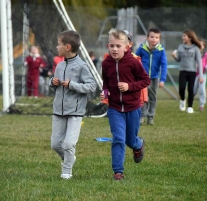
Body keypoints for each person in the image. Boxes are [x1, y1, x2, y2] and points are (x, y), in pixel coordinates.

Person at [100, 29, 150, 180]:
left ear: (127, 47)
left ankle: (138, 144)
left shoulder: (133, 62)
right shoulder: (106, 63)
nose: (114, 49)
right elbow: (106, 83)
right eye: (112, 46)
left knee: (130, 140)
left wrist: (130, 86)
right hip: (115, 108)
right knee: (118, 138)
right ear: (108, 46)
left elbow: (145, 80)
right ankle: (118, 172)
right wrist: (106, 93)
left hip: (133, 108)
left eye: (118, 46)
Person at [50, 30, 96, 179]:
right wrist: (53, 82)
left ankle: (67, 171)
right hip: (58, 111)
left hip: (75, 112)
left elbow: (91, 86)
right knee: (56, 145)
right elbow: (55, 83)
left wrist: (72, 85)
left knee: (69, 144)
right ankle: (70, 159)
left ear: (67, 47)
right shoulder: (60, 65)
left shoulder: (82, 66)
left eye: (59, 44)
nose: (57, 47)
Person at [135, 28, 168, 125]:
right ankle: (142, 116)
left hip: (154, 78)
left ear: (159, 39)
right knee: (143, 97)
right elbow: (135, 60)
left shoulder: (161, 50)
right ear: (147, 38)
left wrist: (162, 79)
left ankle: (151, 117)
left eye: (156, 37)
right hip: (142, 78)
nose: (154, 39)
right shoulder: (142, 48)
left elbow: (164, 65)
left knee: (152, 98)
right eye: (152, 37)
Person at [172, 29, 203, 113]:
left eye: (184, 36)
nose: (183, 37)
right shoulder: (180, 47)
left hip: (192, 72)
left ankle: (190, 107)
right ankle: (182, 100)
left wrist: (201, 76)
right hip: (182, 71)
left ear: (189, 37)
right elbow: (178, 60)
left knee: (190, 89)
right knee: (181, 88)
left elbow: (199, 62)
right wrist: (174, 56)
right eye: (182, 36)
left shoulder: (196, 48)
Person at [194, 39, 207, 111]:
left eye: (201, 45)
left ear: (204, 46)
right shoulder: (194, 53)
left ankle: (201, 105)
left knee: (202, 90)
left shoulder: (205, 54)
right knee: (193, 90)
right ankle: (190, 103)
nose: (200, 46)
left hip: (202, 75)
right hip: (194, 75)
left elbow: (205, 63)